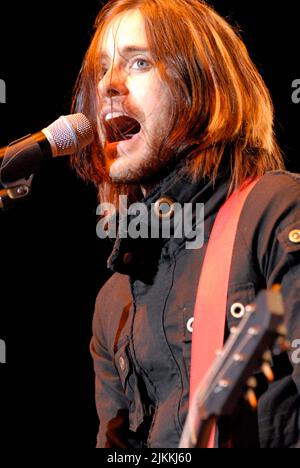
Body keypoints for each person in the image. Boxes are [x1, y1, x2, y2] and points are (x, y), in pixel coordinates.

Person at [71, 0, 300, 448]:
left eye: (139, 62)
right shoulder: (114, 303)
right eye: (101, 71)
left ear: (203, 85)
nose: (110, 86)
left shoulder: (276, 211)